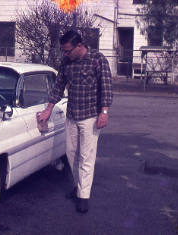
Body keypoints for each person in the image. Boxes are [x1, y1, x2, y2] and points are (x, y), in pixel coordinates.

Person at [37, 30, 113, 213]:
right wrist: (48, 109)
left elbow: (107, 87)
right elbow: (58, 86)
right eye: (64, 51)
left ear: (79, 46)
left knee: (86, 156)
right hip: (72, 115)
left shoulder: (98, 59)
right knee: (71, 153)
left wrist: (104, 112)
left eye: (68, 50)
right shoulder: (66, 62)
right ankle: (80, 186)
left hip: (91, 117)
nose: (65, 54)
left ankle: (83, 197)